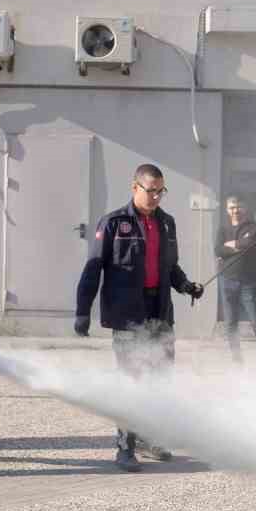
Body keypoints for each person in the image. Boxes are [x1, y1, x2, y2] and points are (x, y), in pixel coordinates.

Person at [74, 163, 205, 472]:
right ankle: (125, 447)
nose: (157, 197)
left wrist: (186, 286)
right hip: (127, 314)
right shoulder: (113, 223)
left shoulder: (168, 224)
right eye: (151, 191)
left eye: (161, 191)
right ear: (135, 188)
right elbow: (93, 269)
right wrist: (82, 311)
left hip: (159, 312)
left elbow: (170, 267)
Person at [214, 196, 256, 361]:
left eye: (238, 207)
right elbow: (218, 250)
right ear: (227, 210)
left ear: (244, 208)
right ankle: (237, 361)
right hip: (226, 280)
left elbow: (250, 243)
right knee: (231, 324)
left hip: (248, 282)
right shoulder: (223, 229)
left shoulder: (254, 227)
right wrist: (239, 245)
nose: (235, 211)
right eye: (232, 207)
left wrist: (232, 245)